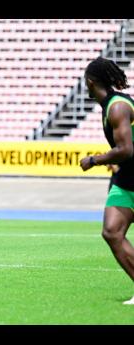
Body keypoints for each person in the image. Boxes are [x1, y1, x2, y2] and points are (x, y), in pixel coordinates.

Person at [79, 57, 134, 305]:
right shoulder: (108, 107)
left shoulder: (117, 107)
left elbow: (126, 149)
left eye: (85, 82)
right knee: (112, 232)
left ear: (91, 82)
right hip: (126, 178)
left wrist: (94, 160)